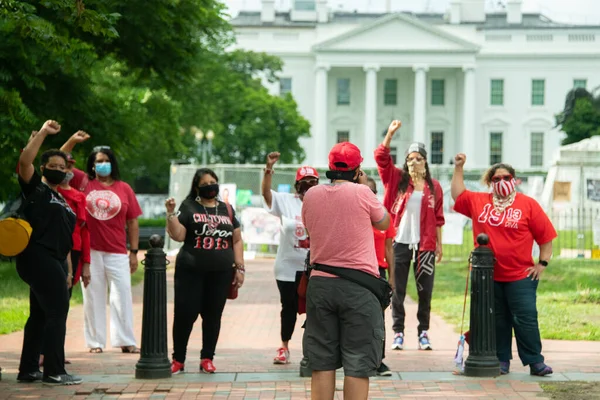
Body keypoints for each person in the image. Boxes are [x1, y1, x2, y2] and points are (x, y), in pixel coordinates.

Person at [451, 153, 555, 376]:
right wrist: (459, 167)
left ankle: (535, 362)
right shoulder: (479, 201)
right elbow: (458, 196)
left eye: (505, 177)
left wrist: (542, 264)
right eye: (496, 179)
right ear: (490, 182)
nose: (501, 182)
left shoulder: (528, 205)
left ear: (514, 179)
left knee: (525, 318)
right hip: (488, 277)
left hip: (520, 276)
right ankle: (501, 360)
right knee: (497, 320)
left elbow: (546, 237)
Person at [302, 142, 390, 400]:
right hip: (359, 288)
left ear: (330, 167)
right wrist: (364, 188)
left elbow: (310, 230)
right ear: (358, 168)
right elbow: (384, 221)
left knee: (322, 362)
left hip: (320, 284)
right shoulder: (362, 193)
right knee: (358, 363)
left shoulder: (312, 194)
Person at [60, 133, 142, 354]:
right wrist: (73, 141)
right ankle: (95, 342)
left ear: (112, 163)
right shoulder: (83, 182)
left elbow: (133, 222)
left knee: (122, 295)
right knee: (93, 296)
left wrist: (134, 252)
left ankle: (125, 340)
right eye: (98, 161)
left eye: (106, 160)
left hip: (117, 251)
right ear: (92, 165)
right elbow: (60, 159)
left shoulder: (124, 188)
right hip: (90, 251)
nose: (102, 164)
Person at [15, 120, 82, 385]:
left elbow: (64, 240)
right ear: (42, 169)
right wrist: (43, 133)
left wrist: (67, 269)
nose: (57, 170)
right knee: (58, 310)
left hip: (55, 260)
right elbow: (24, 162)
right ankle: (54, 370)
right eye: (51, 166)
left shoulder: (62, 199)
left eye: (62, 167)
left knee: (41, 315)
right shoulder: (36, 189)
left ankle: (28, 369)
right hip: (36, 256)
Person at [165, 168, 245, 374]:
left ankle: (207, 358)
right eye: (205, 182)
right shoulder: (189, 206)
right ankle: (178, 359)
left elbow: (236, 239)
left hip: (220, 274)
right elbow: (179, 235)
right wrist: (171, 213)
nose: (211, 185)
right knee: (185, 314)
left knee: (213, 316)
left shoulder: (227, 209)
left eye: (213, 181)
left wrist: (240, 267)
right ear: (197, 187)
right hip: (190, 272)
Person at [374, 120, 445, 351]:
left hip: (425, 245)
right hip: (399, 242)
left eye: (419, 158)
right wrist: (390, 134)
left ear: (425, 161)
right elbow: (381, 157)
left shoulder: (434, 186)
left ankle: (423, 332)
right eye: (410, 158)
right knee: (397, 288)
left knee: (425, 289)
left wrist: (439, 245)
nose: (414, 161)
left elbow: (438, 218)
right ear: (405, 161)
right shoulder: (396, 180)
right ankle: (398, 333)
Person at [262, 152, 319, 364]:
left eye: (313, 182)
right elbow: (267, 195)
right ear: (297, 185)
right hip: (287, 267)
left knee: (315, 308)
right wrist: (268, 170)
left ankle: (313, 349)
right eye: (304, 183)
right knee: (289, 307)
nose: (309, 186)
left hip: (313, 266)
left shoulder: (322, 203)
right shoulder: (286, 201)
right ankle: (284, 346)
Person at [39, 152, 92, 368]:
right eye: (60, 167)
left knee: (61, 305)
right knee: (48, 308)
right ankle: (47, 358)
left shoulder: (74, 197)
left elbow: (82, 231)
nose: (64, 171)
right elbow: (48, 159)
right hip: (46, 252)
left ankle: (50, 355)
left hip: (70, 253)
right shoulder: (44, 190)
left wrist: (80, 265)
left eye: (68, 167)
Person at [365, 177, 396, 376]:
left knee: (378, 319)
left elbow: (389, 248)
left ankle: (378, 360)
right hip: (356, 271)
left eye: (372, 192)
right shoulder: (353, 215)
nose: (368, 195)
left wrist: (392, 277)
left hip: (378, 272)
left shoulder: (383, 217)